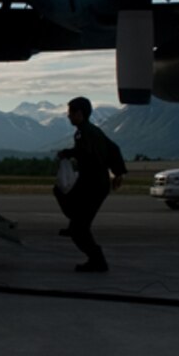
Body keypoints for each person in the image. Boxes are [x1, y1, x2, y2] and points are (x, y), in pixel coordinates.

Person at [53, 96, 125, 272]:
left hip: (92, 184)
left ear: (79, 114)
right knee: (61, 193)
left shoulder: (83, 132)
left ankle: (97, 260)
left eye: (71, 113)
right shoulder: (94, 130)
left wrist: (67, 153)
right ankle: (75, 223)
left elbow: (84, 152)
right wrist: (119, 172)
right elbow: (114, 148)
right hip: (94, 182)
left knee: (79, 229)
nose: (68, 116)